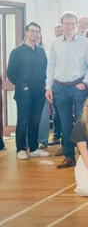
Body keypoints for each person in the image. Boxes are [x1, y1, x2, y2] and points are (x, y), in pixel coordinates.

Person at [46, 12, 88, 169]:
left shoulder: (84, 42)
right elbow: (51, 66)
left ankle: (83, 156)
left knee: (81, 122)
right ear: (61, 25)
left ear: (76, 25)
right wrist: (48, 86)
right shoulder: (55, 43)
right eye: (66, 23)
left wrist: (85, 82)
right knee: (65, 124)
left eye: (72, 23)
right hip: (59, 88)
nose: (70, 26)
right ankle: (69, 156)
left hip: (78, 87)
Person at [9, 22, 50, 159]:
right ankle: (20, 149)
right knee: (23, 121)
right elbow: (11, 73)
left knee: (35, 120)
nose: (34, 33)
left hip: (39, 91)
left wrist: (45, 85)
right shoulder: (17, 51)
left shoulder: (41, 51)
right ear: (26, 32)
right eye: (32, 31)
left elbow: (45, 69)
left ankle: (33, 148)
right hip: (24, 92)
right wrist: (22, 86)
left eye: (37, 31)